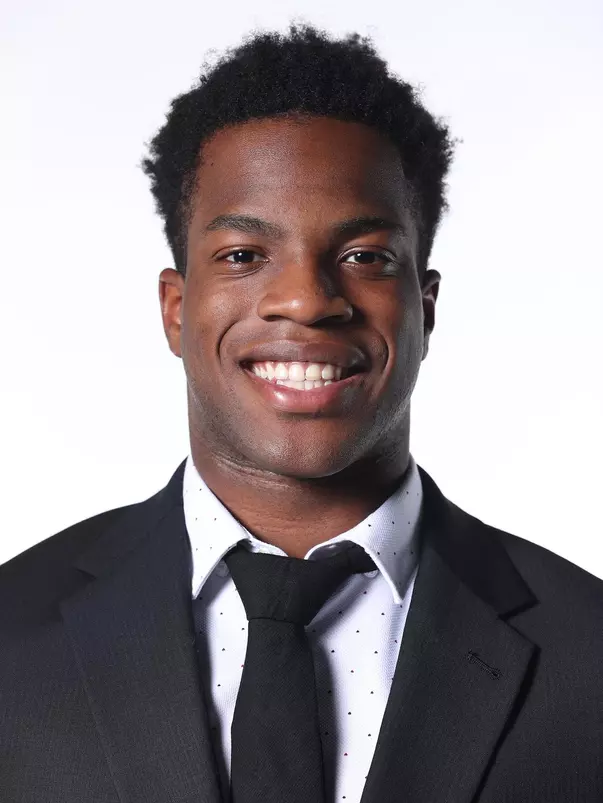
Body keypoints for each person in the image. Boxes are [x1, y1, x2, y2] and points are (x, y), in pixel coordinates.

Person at [1, 22, 601, 803]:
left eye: (363, 257)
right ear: (176, 310)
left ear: (424, 304)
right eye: (244, 255)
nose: (307, 300)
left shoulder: (586, 653)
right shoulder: (12, 633)